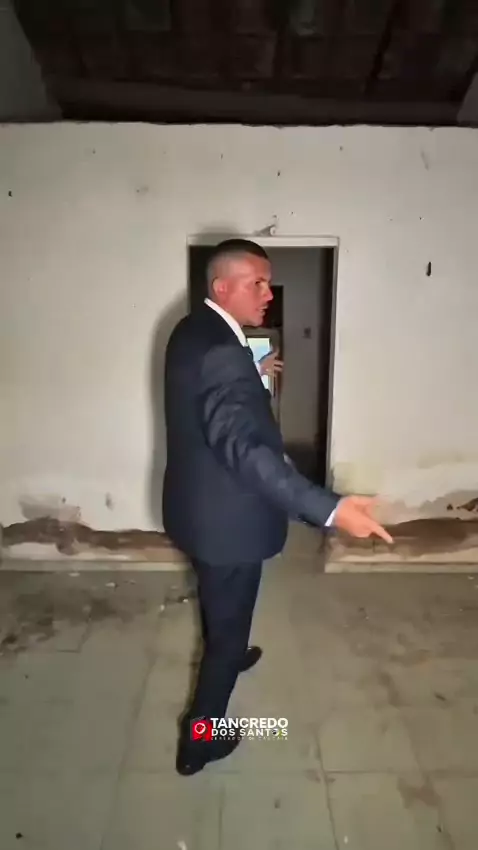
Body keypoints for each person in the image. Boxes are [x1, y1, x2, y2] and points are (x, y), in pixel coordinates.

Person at [162, 238, 393, 776]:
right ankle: (200, 741)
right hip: (228, 520)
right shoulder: (222, 351)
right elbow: (244, 448)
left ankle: (229, 644)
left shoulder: (195, 330)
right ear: (223, 286)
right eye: (257, 284)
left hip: (196, 508)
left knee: (220, 600)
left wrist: (255, 373)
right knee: (226, 630)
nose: (268, 294)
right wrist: (329, 508)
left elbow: (211, 397)